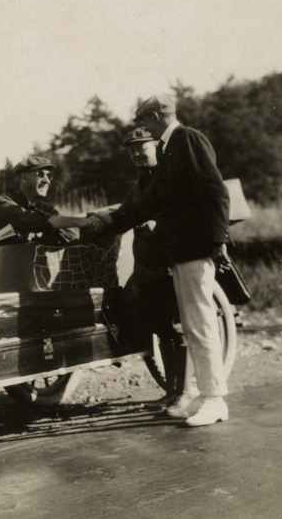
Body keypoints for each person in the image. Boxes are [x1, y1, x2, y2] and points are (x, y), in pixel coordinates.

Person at [129, 94, 231, 427]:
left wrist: (219, 240)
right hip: (180, 251)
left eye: (143, 119)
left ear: (156, 116)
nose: (142, 126)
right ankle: (205, 396)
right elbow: (155, 203)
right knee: (192, 325)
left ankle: (214, 399)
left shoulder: (187, 139)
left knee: (200, 324)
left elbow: (216, 191)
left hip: (196, 249)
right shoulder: (167, 148)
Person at [94, 127, 189, 407]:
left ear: (156, 147)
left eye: (141, 147)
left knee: (175, 329)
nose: (136, 153)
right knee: (161, 331)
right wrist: (96, 220)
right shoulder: (140, 184)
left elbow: (184, 213)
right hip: (147, 268)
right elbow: (124, 215)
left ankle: (184, 393)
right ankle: (171, 392)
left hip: (169, 266)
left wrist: (159, 223)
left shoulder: (169, 177)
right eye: (132, 150)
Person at [0, 155, 95, 245]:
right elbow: (28, 219)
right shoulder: (1, 203)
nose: (46, 180)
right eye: (40, 174)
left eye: (49, 176)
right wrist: (85, 222)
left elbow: (69, 233)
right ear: (24, 178)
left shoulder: (46, 208)